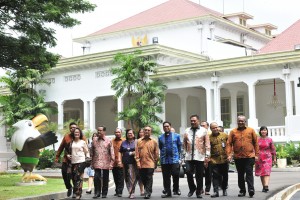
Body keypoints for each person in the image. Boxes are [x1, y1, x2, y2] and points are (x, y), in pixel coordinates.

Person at [226, 115, 259, 198]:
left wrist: (257, 155)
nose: (240, 122)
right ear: (237, 122)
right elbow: (229, 143)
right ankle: (242, 190)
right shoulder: (233, 132)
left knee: (249, 173)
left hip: (249, 156)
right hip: (238, 157)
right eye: (239, 121)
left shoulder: (251, 130)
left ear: (245, 122)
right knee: (240, 174)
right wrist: (229, 154)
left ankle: (251, 189)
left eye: (242, 121)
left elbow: (256, 143)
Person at [55, 122, 87, 197]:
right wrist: (57, 157)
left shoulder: (82, 137)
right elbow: (61, 147)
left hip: (77, 161)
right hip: (66, 160)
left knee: (75, 177)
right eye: (71, 127)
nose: (72, 129)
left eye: (74, 127)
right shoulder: (66, 137)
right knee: (65, 175)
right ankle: (69, 187)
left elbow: (86, 150)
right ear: (69, 129)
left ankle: (76, 193)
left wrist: (85, 160)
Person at [183, 115, 210, 199]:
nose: (193, 122)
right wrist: (183, 155)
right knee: (188, 172)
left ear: (198, 121)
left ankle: (198, 191)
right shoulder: (187, 130)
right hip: (188, 156)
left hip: (200, 156)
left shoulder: (204, 130)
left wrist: (207, 156)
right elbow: (184, 144)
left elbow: (207, 144)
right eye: (191, 120)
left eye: (194, 120)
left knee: (199, 175)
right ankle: (192, 188)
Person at [159, 121, 182, 198]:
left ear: (170, 126)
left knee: (176, 174)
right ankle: (167, 192)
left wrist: (180, 158)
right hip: (164, 160)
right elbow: (160, 147)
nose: (166, 128)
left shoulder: (176, 136)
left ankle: (176, 189)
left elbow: (180, 147)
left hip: (175, 159)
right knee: (166, 177)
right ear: (163, 128)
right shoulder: (160, 137)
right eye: (164, 126)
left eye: (167, 126)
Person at [135, 125, 159, 199]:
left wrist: (155, 162)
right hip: (141, 163)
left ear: (150, 132)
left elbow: (156, 153)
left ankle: (148, 192)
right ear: (143, 131)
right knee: (143, 178)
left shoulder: (154, 141)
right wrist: (138, 163)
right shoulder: (139, 141)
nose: (147, 131)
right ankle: (147, 190)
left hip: (150, 163)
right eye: (145, 130)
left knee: (149, 178)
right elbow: (136, 153)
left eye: (148, 130)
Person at [91, 126, 115, 199]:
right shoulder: (94, 140)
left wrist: (112, 163)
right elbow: (91, 152)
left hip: (106, 163)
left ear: (104, 132)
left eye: (101, 130)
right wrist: (91, 162)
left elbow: (112, 152)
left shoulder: (108, 140)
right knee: (96, 178)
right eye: (98, 130)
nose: (99, 132)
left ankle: (104, 193)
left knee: (105, 178)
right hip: (96, 162)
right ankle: (97, 193)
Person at [66, 128, 90, 199]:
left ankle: (78, 194)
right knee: (74, 178)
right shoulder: (71, 142)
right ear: (73, 134)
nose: (76, 134)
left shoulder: (82, 142)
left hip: (81, 161)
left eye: (78, 133)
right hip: (72, 162)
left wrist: (87, 158)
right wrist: (67, 155)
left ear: (80, 134)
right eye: (75, 133)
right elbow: (66, 151)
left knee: (78, 178)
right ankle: (77, 192)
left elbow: (87, 152)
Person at [209, 122, 229, 198]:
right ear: (211, 129)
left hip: (224, 159)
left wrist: (230, 155)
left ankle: (224, 188)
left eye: (216, 127)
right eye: (213, 128)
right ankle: (216, 191)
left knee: (225, 175)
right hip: (214, 160)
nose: (215, 129)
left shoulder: (224, 135)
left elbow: (229, 145)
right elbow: (208, 148)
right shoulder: (209, 137)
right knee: (215, 176)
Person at [255, 126, 277, 193]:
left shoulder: (270, 140)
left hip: (268, 157)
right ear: (260, 131)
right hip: (259, 157)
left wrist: (274, 158)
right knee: (262, 172)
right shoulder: (257, 139)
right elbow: (254, 148)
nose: (263, 131)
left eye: (265, 130)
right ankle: (264, 186)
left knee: (267, 171)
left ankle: (266, 185)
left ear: (267, 131)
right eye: (262, 130)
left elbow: (273, 149)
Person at [120, 129, 138, 199]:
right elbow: (120, 151)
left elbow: (139, 151)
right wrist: (120, 161)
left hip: (133, 162)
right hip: (125, 162)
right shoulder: (123, 142)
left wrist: (132, 153)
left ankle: (132, 192)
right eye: (128, 133)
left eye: (131, 133)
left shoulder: (136, 142)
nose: (129, 134)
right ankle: (130, 191)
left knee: (132, 177)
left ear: (133, 134)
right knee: (127, 178)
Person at [112, 128, 125, 197]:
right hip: (114, 163)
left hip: (122, 162)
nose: (117, 133)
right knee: (115, 177)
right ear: (114, 133)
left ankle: (120, 191)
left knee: (120, 177)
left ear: (121, 133)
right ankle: (117, 190)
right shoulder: (112, 141)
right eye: (116, 132)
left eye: (119, 132)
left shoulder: (124, 141)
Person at [200, 121, 212, 196]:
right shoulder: (199, 134)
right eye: (201, 125)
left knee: (208, 174)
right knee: (199, 173)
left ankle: (207, 189)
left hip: (209, 157)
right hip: (200, 157)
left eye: (204, 125)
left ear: (207, 126)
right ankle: (200, 188)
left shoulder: (210, 135)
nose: (202, 127)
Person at [136, 129, 145, 196]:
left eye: (142, 132)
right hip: (138, 161)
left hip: (146, 161)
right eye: (140, 132)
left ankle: (146, 189)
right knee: (140, 177)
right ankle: (141, 190)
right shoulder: (136, 141)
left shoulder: (147, 140)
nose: (141, 133)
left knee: (146, 176)